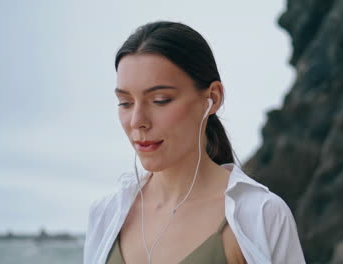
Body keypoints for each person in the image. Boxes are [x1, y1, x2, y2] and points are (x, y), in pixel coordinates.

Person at [83, 21, 306, 264]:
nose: (137, 121)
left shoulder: (260, 215)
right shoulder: (105, 215)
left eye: (160, 100)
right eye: (125, 103)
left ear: (212, 98)